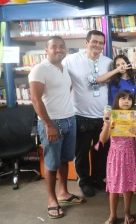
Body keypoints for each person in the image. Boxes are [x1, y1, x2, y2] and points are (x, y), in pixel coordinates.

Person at [29, 36, 85, 219]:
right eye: (54, 47)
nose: (59, 49)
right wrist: (48, 125)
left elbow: (64, 91)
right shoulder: (39, 69)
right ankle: (52, 200)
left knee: (64, 160)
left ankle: (64, 193)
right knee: (52, 164)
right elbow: (36, 100)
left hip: (70, 119)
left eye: (62, 46)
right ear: (46, 49)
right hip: (52, 123)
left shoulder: (64, 68)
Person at [62, 30, 113, 197]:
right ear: (86, 42)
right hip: (80, 115)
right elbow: (62, 83)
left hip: (102, 117)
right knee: (81, 152)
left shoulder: (108, 62)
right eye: (94, 41)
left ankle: (99, 179)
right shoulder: (71, 60)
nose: (97, 45)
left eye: (101, 42)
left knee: (101, 151)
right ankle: (84, 181)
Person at [99, 90, 136, 224]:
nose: (126, 101)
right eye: (123, 98)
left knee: (129, 187)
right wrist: (107, 123)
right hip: (115, 157)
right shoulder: (111, 116)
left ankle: (127, 212)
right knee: (113, 187)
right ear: (117, 100)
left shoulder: (135, 116)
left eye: (129, 99)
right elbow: (102, 139)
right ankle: (112, 215)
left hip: (131, 155)